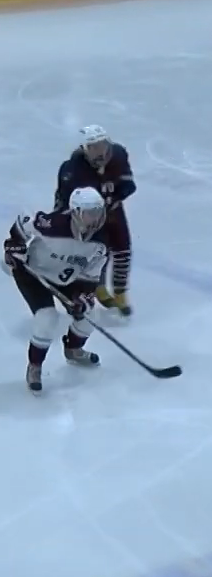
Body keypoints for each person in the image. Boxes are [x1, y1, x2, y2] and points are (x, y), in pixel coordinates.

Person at [3, 188, 110, 393]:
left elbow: (90, 278)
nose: (96, 217)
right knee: (47, 318)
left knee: (89, 315)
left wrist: (81, 298)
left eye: (99, 211)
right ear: (76, 211)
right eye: (90, 212)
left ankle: (73, 350)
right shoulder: (52, 224)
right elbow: (21, 227)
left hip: (67, 281)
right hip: (34, 274)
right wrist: (14, 247)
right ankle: (35, 366)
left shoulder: (101, 242)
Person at [56, 125, 136, 316]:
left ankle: (120, 292)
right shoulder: (72, 168)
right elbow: (65, 199)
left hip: (112, 210)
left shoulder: (118, 155)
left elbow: (129, 185)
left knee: (123, 248)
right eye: (93, 147)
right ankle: (98, 288)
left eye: (102, 145)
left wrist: (114, 199)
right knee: (99, 252)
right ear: (85, 149)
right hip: (88, 216)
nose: (99, 152)